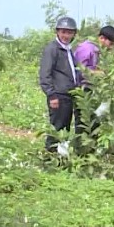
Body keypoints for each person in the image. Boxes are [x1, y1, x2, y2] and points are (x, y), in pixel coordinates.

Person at [38, 16, 81, 153]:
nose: (66, 36)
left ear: (74, 34)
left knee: (65, 129)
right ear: (57, 32)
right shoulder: (52, 49)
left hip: (68, 95)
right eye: (63, 32)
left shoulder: (68, 49)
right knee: (57, 128)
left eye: (69, 32)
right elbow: (45, 74)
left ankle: (60, 156)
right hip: (58, 95)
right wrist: (51, 95)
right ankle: (50, 156)